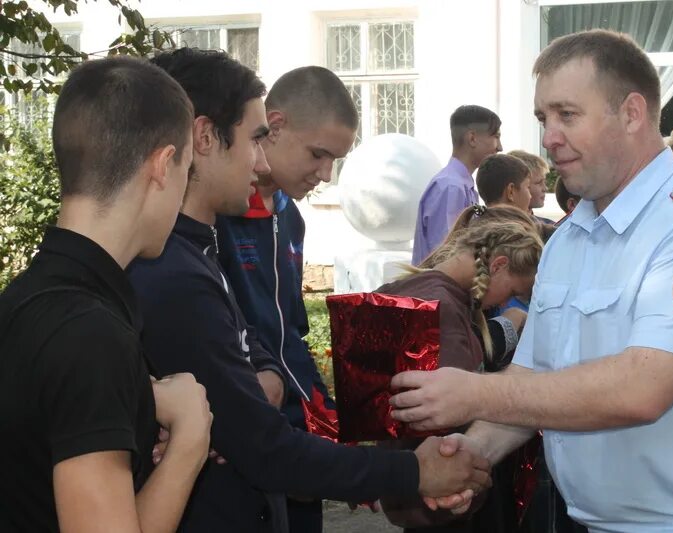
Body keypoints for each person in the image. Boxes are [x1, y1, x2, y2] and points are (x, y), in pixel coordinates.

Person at [388, 29, 673, 532]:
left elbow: (642, 388)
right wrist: (468, 455)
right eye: (543, 118)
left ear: (631, 113)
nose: (548, 137)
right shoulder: (570, 238)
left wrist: (474, 394)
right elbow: (532, 380)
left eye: (566, 115)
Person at [128, 48, 492, 533]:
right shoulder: (175, 260)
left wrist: (266, 382)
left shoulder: (228, 237)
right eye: (256, 140)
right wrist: (411, 470)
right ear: (207, 138)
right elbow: (253, 435)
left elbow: (264, 336)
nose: (260, 161)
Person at [0, 56, 213, 532]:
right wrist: (190, 440)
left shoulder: (23, 302)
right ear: (162, 165)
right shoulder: (90, 335)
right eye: (186, 170)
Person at [215, 65, 359, 533]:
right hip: (241, 437)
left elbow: (291, 333)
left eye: (334, 160)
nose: (325, 173)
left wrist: (330, 420)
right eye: (318, 154)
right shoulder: (217, 215)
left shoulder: (290, 218)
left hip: (295, 436)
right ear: (273, 127)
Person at [378, 205, 544, 532]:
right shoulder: (443, 309)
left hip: (418, 486)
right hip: (439, 494)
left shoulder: (427, 291)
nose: (505, 301)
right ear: (497, 265)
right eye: (512, 291)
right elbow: (446, 414)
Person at [412, 105, 502, 265]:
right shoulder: (450, 187)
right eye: (496, 137)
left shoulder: (461, 184)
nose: (500, 147)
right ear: (472, 138)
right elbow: (446, 256)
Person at [507, 150, 550, 218]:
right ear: (512, 190)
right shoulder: (492, 226)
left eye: (544, 182)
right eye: (539, 182)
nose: (545, 188)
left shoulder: (550, 226)